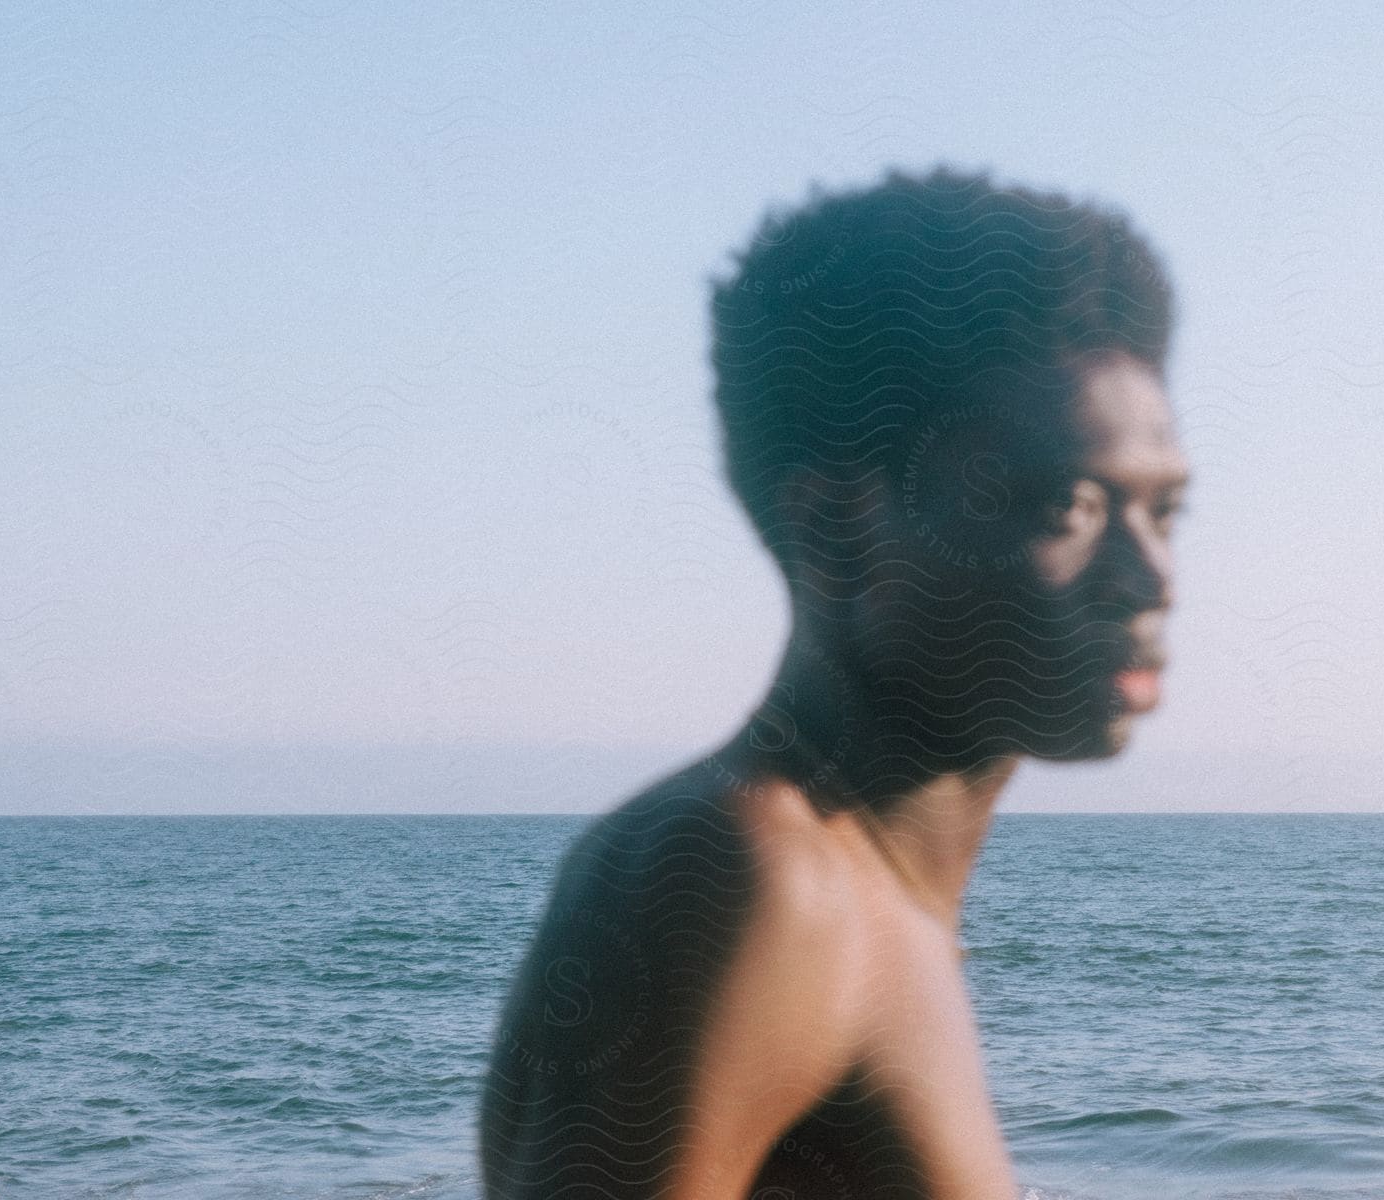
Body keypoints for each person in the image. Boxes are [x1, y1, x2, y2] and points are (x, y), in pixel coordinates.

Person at [479, 164, 1188, 1199]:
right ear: (837, 529)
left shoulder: (873, 901)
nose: (1148, 577)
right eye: (1067, 506)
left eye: (1165, 511)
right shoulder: (748, 877)